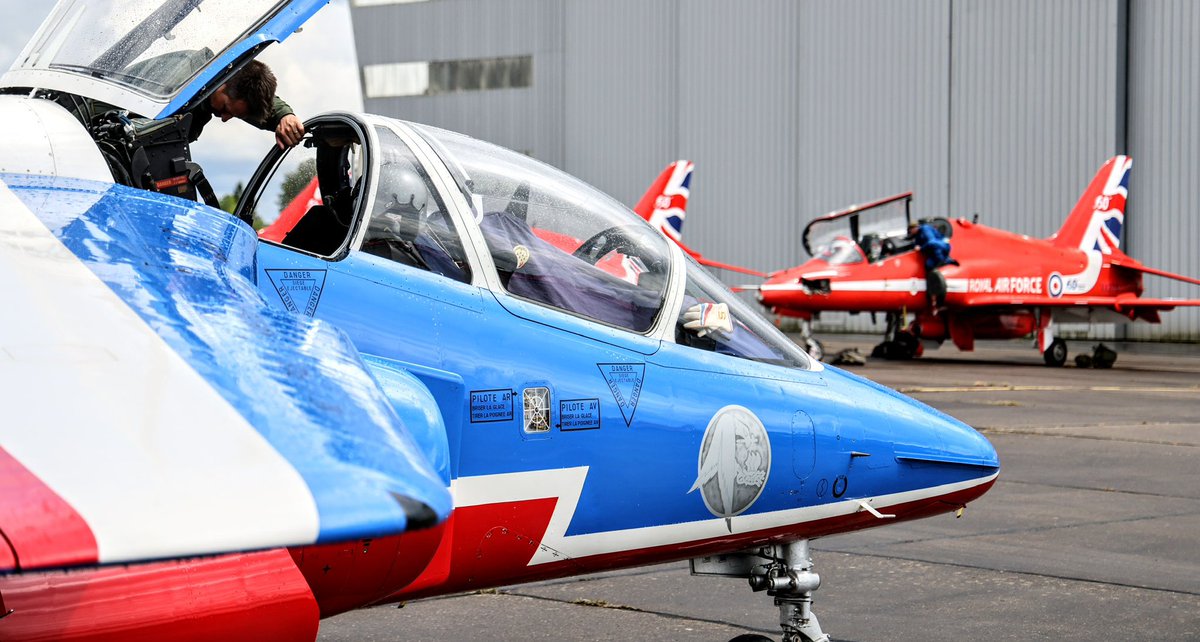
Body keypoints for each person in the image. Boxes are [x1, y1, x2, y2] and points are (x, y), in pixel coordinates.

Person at [189, 60, 305, 149]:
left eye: (233, 115)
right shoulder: (183, 75)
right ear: (223, 82)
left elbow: (258, 98)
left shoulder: (231, 87)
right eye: (225, 108)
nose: (224, 119)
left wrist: (284, 116)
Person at [908, 221, 957, 308]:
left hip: (940, 248)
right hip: (936, 250)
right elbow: (917, 244)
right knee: (928, 265)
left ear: (914, 228)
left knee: (930, 265)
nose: (910, 232)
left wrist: (921, 248)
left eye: (910, 230)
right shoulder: (919, 234)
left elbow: (932, 243)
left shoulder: (925, 230)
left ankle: (946, 262)